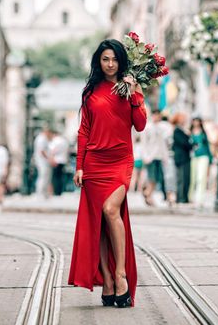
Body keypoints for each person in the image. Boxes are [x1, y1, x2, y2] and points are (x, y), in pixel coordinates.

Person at [68, 39, 147, 308]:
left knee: (111, 210)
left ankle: (120, 273)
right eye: (105, 59)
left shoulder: (130, 87)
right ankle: (109, 285)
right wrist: (79, 165)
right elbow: (84, 131)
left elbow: (140, 125)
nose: (110, 64)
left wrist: (135, 94)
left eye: (114, 59)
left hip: (120, 161)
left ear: (121, 60)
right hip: (94, 163)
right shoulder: (90, 92)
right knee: (100, 224)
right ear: (98, 62)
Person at [141, 110, 168, 206]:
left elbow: (163, 144)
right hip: (150, 157)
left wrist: (165, 157)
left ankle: (147, 193)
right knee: (151, 178)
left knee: (157, 179)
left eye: (159, 116)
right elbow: (143, 143)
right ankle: (148, 195)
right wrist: (145, 156)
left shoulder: (162, 128)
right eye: (155, 115)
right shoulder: (147, 127)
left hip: (159, 156)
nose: (157, 117)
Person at [189, 117, 212, 208]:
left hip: (204, 156)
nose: (196, 123)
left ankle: (200, 199)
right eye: (194, 121)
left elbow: (207, 146)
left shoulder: (203, 133)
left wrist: (210, 158)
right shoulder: (190, 132)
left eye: (197, 121)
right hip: (194, 157)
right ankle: (191, 197)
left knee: (201, 178)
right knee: (193, 178)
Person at [171, 112, 192, 204]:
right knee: (182, 179)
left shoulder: (182, 130)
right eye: (183, 118)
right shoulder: (177, 131)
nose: (185, 120)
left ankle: (184, 197)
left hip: (184, 158)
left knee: (185, 178)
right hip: (181, 158)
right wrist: (189, 138)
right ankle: (181, 198)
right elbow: (185, 143)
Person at [33, 126, 53, 198]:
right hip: (42, 161)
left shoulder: (43, 138)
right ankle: (40, 192)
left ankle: (44, 192)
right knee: (43, 176)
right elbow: (42, 151)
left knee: (46, 177)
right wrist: (48, 158)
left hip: (44, 161)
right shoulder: (41, 138)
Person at [49, 131, 69, 196]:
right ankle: (60, 191)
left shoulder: (55, 140)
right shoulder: (64, 141)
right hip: (63, 160)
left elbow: (52, 150)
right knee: (61, 177)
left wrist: (51, 159)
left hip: (56, 160)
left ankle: (56, 191)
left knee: (55, 177)